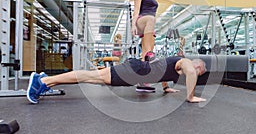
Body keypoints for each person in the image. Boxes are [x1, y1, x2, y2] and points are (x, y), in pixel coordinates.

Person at [26, 56, 207, 104]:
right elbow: (190, 72)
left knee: (91, 78)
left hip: (133, 71)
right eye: (200, 72)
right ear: (198, 67)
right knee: (90, 77)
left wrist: (166, 88)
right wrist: (190, 97)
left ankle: (46, 81)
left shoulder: (177, 66)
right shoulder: (187, 63)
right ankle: (42, 82)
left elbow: (163, 72)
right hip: (133, 72)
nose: (196, 75)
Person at [131, 0, 159, 92]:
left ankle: (142, 82)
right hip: (142, 20)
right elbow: (136, 11)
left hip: (149, 25)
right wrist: (133, 26)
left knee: (145, 54)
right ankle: (149, 53)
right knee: (151, 19)